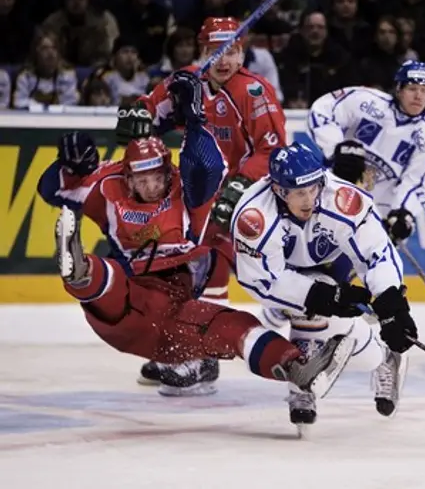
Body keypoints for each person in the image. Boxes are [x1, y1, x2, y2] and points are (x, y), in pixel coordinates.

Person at [37, 71, 354, 402]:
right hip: (133, 294)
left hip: (178, 306)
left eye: (157, 177)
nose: (149, 186)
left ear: (169, 171)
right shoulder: (107, 184)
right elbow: (51, 189)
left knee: (232, 324)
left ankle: (293, 366)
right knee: (110, 282)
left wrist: (194, 118)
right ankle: (80, 271)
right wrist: (69, 165)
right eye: (139, 180)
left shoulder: (189, 193)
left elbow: (207, 166)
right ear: (126, 177)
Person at [115, 17, 287, 391]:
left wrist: (237, 188)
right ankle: (183, 348)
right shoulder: (185, 81)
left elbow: (271, 150)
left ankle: (201, 356)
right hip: (193, 190)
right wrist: (136, 115)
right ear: (201, 51)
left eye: (233, 51)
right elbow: (149, 111)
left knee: (210, 268)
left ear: (243, 52)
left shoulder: (254, 93)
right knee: (178, 266)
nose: (224, 60)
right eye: (215, 51)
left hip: (240, 195)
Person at [231, 142, 419, 428]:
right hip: (287, 271)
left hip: (335, 260)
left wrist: (391, 301)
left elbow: (376, 251)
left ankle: (382, 356)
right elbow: (262, 280)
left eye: (313, 189)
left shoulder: (341, 198)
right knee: (305, 308)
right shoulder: (254, 216)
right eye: (299, 193)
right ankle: (305, 383)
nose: (309, 200)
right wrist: (318, 295)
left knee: (322, 313)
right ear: (279, 191)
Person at [308, 60, 425, 244]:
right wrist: (336, 150)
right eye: (412, 88)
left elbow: (420, 181)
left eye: (424, 90)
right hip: (331, 195)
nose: (418, 96)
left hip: (376, 213)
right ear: (399, 89)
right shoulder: (366, 101)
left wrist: (403, 212)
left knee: (360, 269)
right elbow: (322, 111)